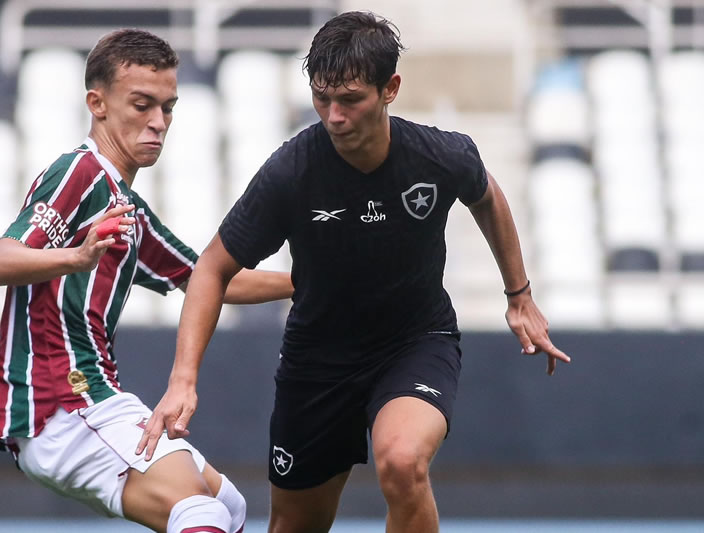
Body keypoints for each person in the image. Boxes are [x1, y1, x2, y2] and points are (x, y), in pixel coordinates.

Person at [138, 11, 571, 533]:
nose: (334, 116)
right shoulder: (292, 172)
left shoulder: (439, 155)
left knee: (403, 463)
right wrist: (184, 380)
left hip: (415, 342)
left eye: (350, 100)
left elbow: (487, 196)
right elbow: (212, 269)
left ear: (390, 88)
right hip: (317, 360)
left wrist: (518, 294)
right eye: (322, 99)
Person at [0, 29, 293, 533]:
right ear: (97, 104)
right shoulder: (78, 172)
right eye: (142, 104)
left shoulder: (128, 209)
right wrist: (75, 256)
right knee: (200, 511)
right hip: (62, 400)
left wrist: (308, 282)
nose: (158, 122)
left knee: (229, 508)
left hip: (96, 397)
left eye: (168, 108)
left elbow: (210, 282)